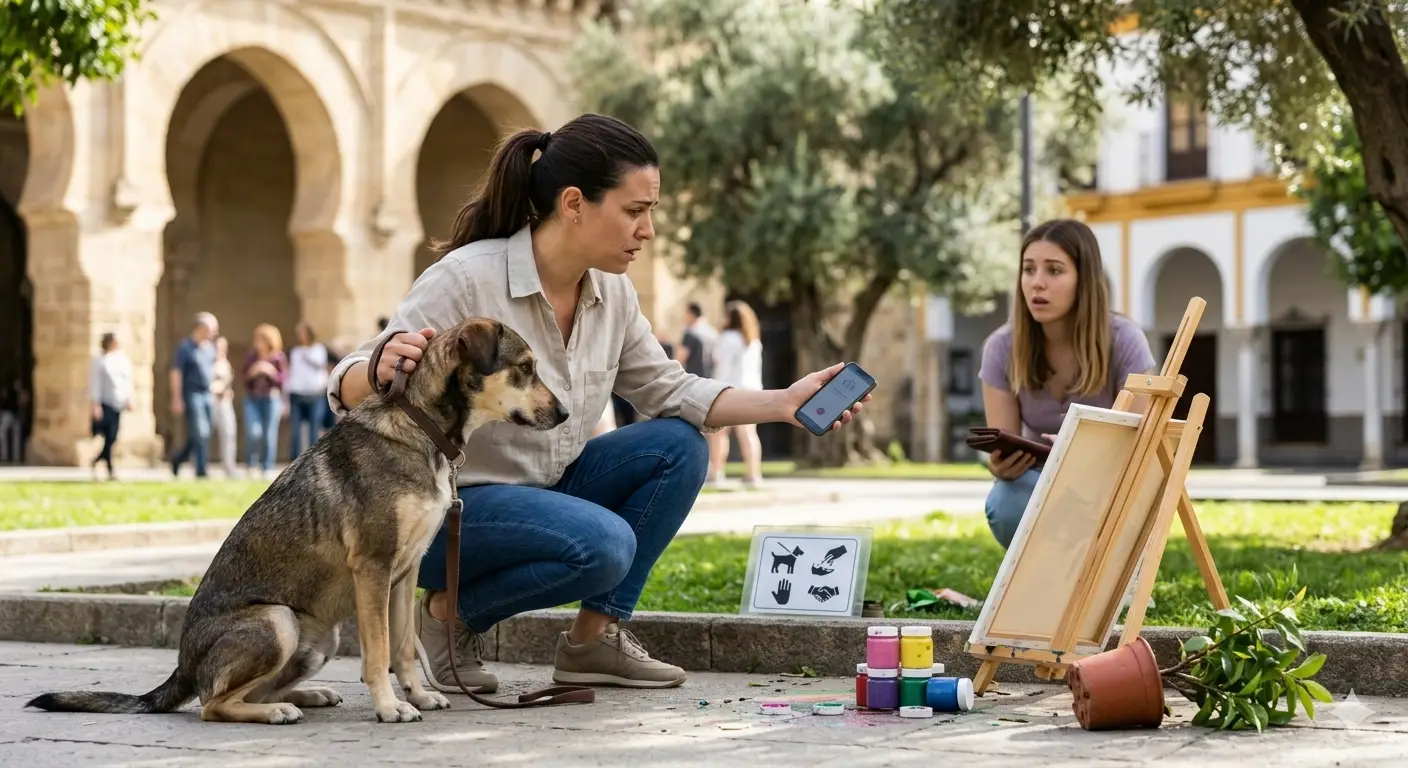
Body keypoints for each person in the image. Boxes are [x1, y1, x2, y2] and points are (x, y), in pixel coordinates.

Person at [326, 113, 868, 694]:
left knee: (679, 446)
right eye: (635, 211)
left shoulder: (611, 292)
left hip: (548, 495)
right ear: (575, 203)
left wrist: (784, 403)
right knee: (605, 546)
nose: (648, 231)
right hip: (452, 517)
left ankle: (593, 641)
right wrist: (378, 366)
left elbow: (669, 389)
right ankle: (446, 617)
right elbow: (347, 382)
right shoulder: (465, 279)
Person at [978, 218, 1157, 549]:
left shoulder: (1124, 340)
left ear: (1083, 279)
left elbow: (1139, 445)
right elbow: (1004, 442)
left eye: (1054, 271)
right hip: (1043, 481)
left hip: (1109, 481)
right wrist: (999, 465)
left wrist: (1083, 449)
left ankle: (1105, 579)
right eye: (1029, 270)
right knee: (1006, 502)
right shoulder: (1001, 347)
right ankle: (1040, 579)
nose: (1037, 283)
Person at [708, 300, 766, 487]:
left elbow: (721, 364)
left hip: (730, 390)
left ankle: (716, 472)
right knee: (748, 434)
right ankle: (753, 473)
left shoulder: (727, 338)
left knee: (719, 433)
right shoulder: (753, 340)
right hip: (752, 389)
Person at [170, 312, 219, 478]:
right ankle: (201, 470)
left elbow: (213, 371)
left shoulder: (210, 349)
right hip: (192, 394)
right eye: (212, 330)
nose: (214, 334)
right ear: (201, 328)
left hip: (207, 394)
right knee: (201, 431)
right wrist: (176, 398)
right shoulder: (185, 348)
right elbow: (176, 373)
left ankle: (178, 458)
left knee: (200, 433)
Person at [243, 323, 288, 478]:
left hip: (271, 398)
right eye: (257, 339)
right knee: (253, 432)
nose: (258, 343)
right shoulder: (251, 357)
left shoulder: (278, 357)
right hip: (253, 399)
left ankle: (267, 467)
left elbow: (283, 380)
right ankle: (251, 464)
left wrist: (271, 372)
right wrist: (253, 372)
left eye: (262, 339)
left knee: (270, 434)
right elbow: (244, 379)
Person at [88, 332, 132, 480]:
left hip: (118, 401)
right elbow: (96, 383)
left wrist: (129, 398)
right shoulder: (100, 360)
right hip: (105, 401)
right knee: (109, 434)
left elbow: (127, 381)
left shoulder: (122, 359)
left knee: (113, 436)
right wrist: (95, 403)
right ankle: (109, 467)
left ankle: (99, 460)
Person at [286, 321, 331, 459]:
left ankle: (311, 460)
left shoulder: (319, 349)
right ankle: (293, 461)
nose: (300, 336)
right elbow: (292, 372)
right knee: (295, 432)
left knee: (314, 430)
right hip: (297, 394)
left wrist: (306, 354)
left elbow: (319, 364)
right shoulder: (295, 351)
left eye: (303, 333)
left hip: (315, 394)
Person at [210, 336, 240, 478]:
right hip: (210, 402)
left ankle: (229, 466)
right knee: (204, 435)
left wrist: (228, 391)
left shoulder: (225, 363)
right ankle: (200, 465)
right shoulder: (207, 362)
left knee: (229, 433)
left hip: (225, 402)